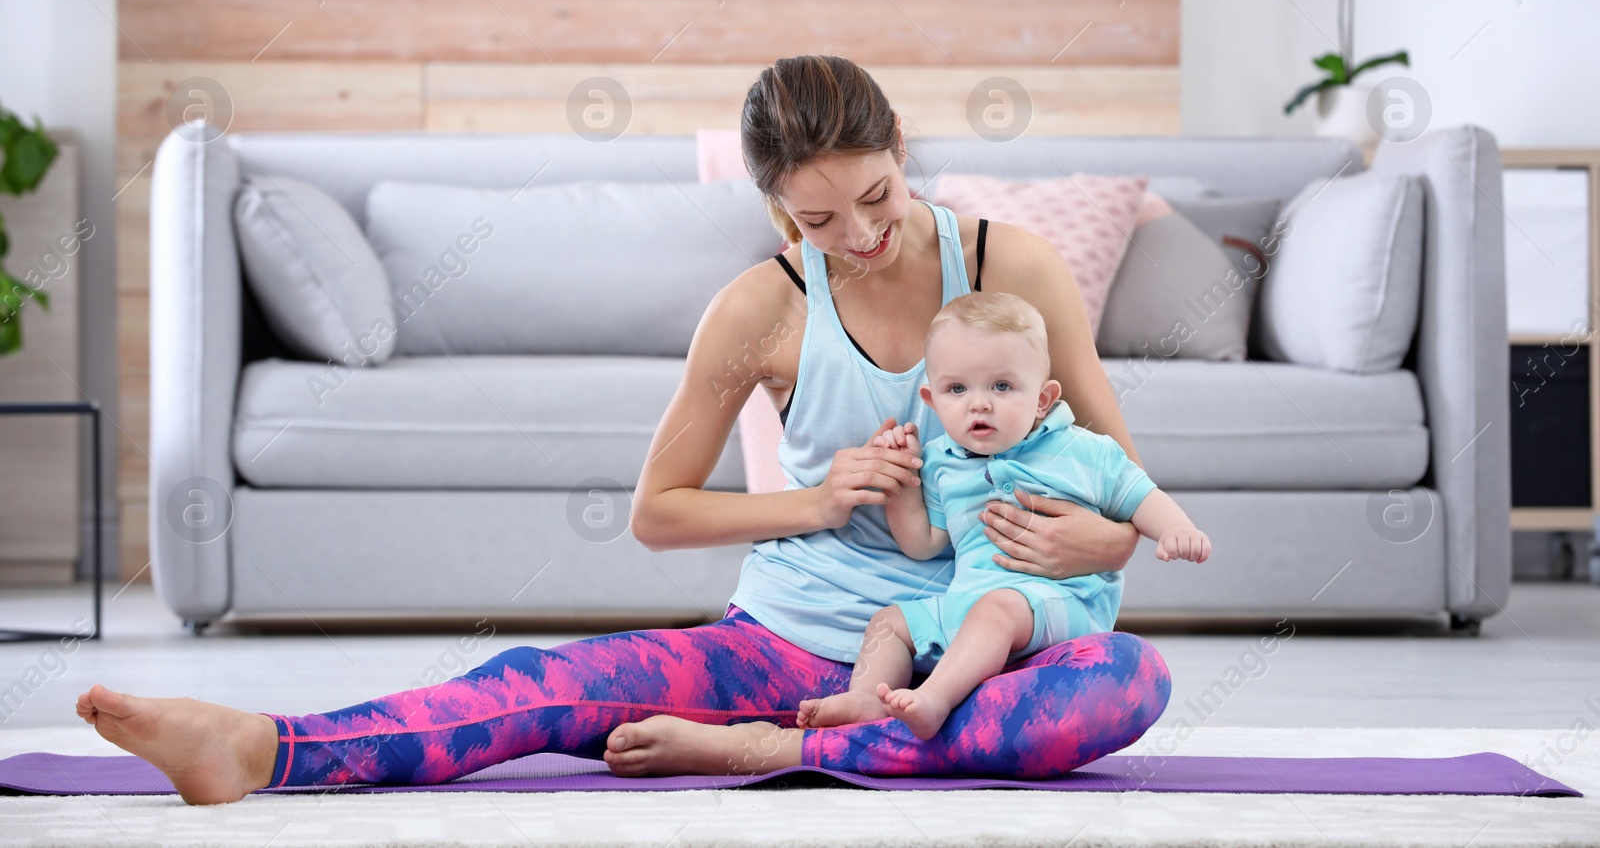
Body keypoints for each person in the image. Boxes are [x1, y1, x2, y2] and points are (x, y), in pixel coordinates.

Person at [74, 54, 1171, 804]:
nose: (864, 235)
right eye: (820, 218)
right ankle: (261, 746)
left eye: (878, 197)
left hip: (986, 648)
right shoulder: (763, 305)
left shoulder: (1006, 263)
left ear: (899, 149)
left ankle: (767, 751)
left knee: (1126, 683)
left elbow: (1116, 476)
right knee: (537, 685)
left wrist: (1106, 539)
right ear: (775, 205)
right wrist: (817, 498)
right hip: (789, 645)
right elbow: (658, 510)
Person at [797, 290, 1210, 740]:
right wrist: (900, 486)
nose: (979, 403)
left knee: (998, 609)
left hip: (1060, 605)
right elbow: (923, 543)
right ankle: (868, 698)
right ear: (932, 400)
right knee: (890, 621)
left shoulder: (1081, 449)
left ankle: (935, 699)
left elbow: (1139, 494)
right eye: (957, 389)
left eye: (1001, 386)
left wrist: (1175, 528)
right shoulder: (941, 463)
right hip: (969, 607)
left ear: (1042, 399)